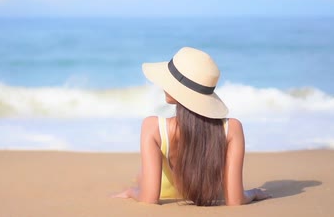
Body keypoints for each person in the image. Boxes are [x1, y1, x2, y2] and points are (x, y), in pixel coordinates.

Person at [113, 47, 270, 206]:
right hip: (211, 192)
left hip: (166, 194)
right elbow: (235, 199)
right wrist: (253, 193)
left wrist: (132, 191)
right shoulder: (233, 128)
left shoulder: (153, 127)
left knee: (141, 177)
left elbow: (149, 198)